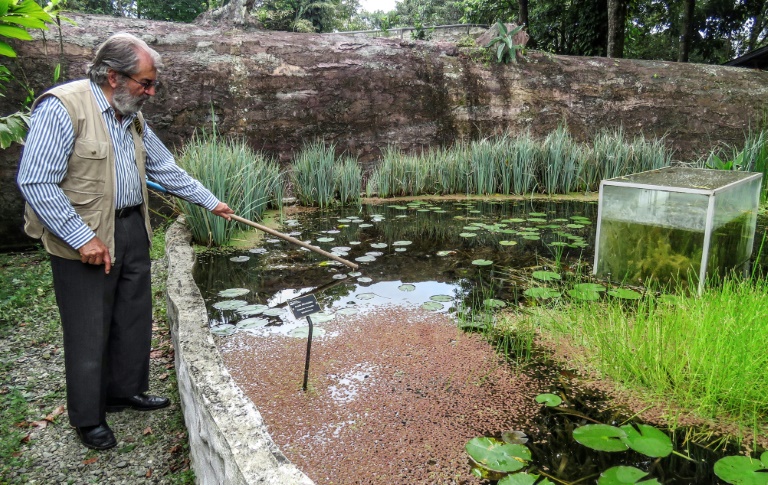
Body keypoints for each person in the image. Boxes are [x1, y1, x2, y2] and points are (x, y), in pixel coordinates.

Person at [16, 32, 234, 450]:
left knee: (132, 315)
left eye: (152, 84)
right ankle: (87, 416)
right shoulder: (63, 107)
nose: (151, 92)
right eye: (145, 83)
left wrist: (211, 202)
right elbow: (36, 181)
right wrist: (82, 238)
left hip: (132, 226)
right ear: (114, 76)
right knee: (88, 327)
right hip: (82, 234)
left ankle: (124, 391)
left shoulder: (130, 114)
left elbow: (165, 167)